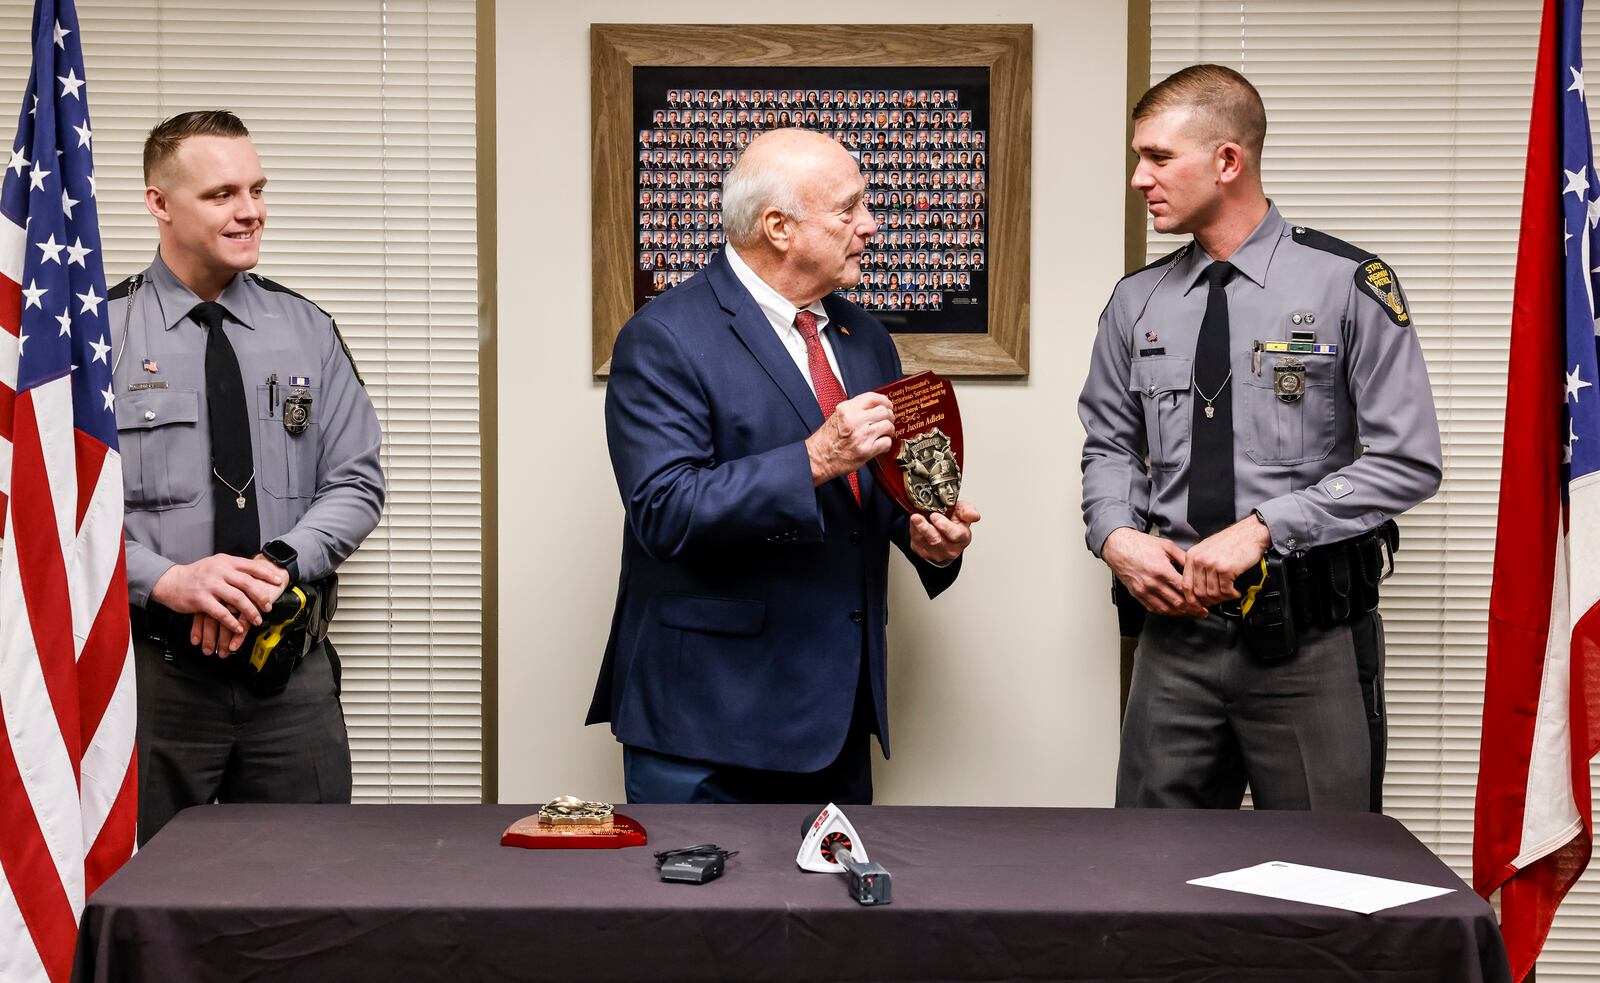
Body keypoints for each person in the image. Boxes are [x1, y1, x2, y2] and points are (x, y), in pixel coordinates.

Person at [1078, 65, 1440, 813]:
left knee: (1325, 887)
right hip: (1173, 645)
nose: (1139, 177)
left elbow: (1408, 459)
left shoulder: (1347, 283)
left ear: (1228, 161)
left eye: (1157, 157)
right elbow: (1110, 443)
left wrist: (1267, 527)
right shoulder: (1135, 301)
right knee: (1145, 880)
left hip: (1306, 644)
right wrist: (1115, 533)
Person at [590, 128, 980, 805]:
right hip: (707, 723)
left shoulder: (866, 338)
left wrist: (926, 539)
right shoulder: (664, 338)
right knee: (700, 915)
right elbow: (665, 511)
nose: (870, 225)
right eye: (850, 208)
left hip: (838, 715)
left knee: (832, 914)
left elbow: (876, 496)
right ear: (779, 227)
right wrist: (815, 456)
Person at [112, 111, 384, 843]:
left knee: (313, 894)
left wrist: (279, 564)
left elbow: (356, 482)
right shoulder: (96, 337)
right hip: (151, 679)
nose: (251, 210)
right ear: (159, 203)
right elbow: (53, 512)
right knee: (141, 897)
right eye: (222, 193)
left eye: (257, 189)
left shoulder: (307, 329)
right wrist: (165, 581)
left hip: (289, 680)